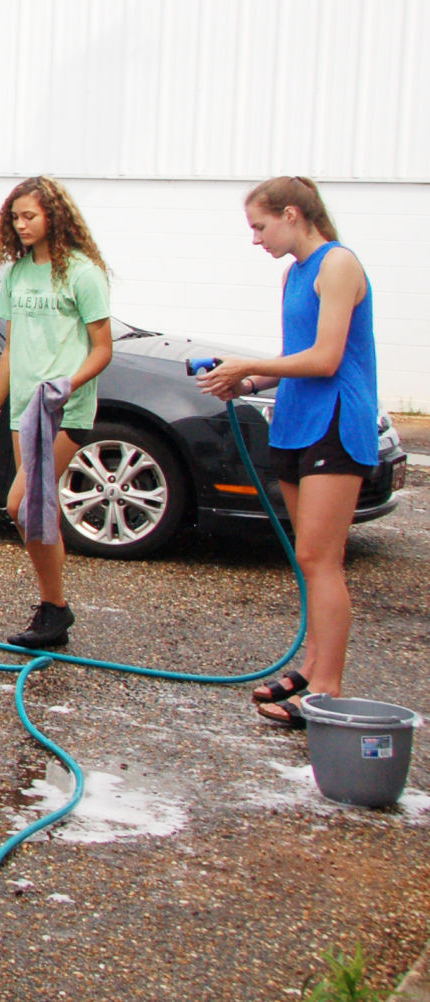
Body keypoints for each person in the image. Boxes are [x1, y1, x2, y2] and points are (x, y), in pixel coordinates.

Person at [197, 177, 377, 728]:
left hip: (336, 425)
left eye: (260, 225)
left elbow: (325, 359)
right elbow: (296, 355)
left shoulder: (337, 265)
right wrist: (247, 387)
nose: (256, 239)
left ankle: (325, 689)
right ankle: (312, 664)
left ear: (293, 214)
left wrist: (248, 365)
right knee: (307, 556)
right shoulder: (293, 273)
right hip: (298, 423)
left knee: (323, 560)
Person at [0, 176, 113, 649]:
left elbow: (102, 349)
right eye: (15, 217)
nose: (21, 224)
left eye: (30, 215)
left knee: (24, 504)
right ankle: (53, 609)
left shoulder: (83, 273)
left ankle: (56, 607)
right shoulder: (16, 274)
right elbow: (12, 348)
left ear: (54, 216)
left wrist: (69, 383)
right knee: (39, 512)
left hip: (64, 409)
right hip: (24, 409)